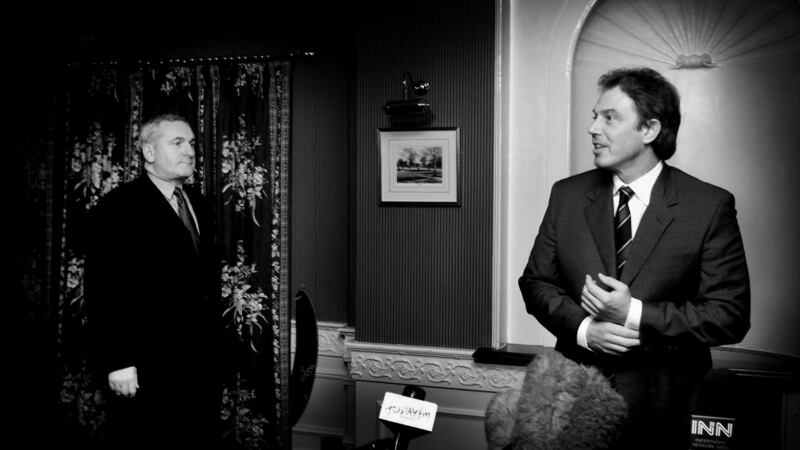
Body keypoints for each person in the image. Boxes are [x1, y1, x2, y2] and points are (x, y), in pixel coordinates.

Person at [518, 67, 750, 449]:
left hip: (665, 412)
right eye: (595, 116)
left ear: (649, 130)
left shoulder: (708, 206)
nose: (593, 128)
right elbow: (535, 283)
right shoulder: (567, 196)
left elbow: (729, 316)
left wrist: (634, 313)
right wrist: (583, 330)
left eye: (609, 118)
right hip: (572, 408)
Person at [84, 114, 226, 447]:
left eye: (191, 143)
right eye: (177, 143)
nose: (189, 151)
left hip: (200, 364)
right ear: (148, 152)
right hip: (148, 367)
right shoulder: (118, 207)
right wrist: (118, 362)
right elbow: (104, 290)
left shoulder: (200, 205)